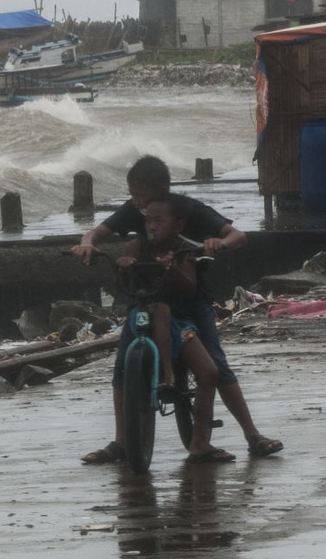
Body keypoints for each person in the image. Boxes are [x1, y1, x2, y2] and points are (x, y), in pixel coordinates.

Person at [74, 155, 283, 463]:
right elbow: (96, 234)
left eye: (141, 196)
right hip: (149, 297)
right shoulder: (136, 212)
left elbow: (237, 236)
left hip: (189, 299)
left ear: (161, 190)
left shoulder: (188, 211)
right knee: (121, 369)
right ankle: (121, 441)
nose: (138, 206)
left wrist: (217, 244)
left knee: (216, 365)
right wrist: (88, 244)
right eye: (133, 197)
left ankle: (252, 435)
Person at [115, 192, 227, 460]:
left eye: (159, 221)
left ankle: (199, 441)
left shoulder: (182, 250)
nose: (152, 226)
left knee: (209, 372)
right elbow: (125, 288)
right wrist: (124, 267)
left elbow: (189, 286)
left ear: (177, 226)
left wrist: (172, 268)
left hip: (178, 323)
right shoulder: (135, 246)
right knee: (120, 370)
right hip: (141, 315)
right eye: (148, 221)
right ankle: (122, 439)